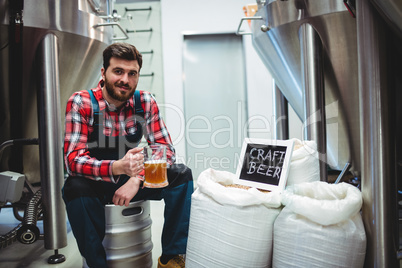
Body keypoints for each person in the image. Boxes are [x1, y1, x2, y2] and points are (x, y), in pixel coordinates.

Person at [62, 42, 193, 268]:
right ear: (104, 73)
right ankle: (97, 263)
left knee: (181, 175)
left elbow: (166, 151)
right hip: (96, 182)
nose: (125, 80)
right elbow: (72, 160)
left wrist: (136, 178)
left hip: (132, 178)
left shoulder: (145, 102)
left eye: (132, 74)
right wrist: (118, 167)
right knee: (74, 187)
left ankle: (171, 257)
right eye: (118, 71)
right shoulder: (81, 102)